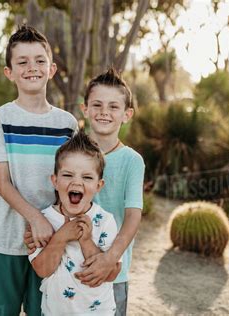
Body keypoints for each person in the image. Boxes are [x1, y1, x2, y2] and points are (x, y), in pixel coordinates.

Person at [0, 25, 78, 315]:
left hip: (50, 243)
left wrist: (53, 225)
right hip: (3, 239)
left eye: (40, 60)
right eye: (22, 62)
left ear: (52, 69)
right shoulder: (2, 117)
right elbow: (2, 182)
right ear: (10, 72)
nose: (32, 68)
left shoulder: (68, 124)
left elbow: (71, 183)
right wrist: (35, 218)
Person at [26, 68, 145, 315]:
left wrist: (110, 258)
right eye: (97, 105)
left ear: (127, 114)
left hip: (111, 266)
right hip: (63, 265)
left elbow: (133, 216)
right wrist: (38, 227)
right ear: (85, 109)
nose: (104, 112)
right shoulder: (70, 152)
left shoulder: (132, 160)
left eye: (114, 106)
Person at [29, 130, 121, 315]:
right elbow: (43, 270)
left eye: (87, 177)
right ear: (54, 181)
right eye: (68, 175)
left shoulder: (105, 220)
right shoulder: (42, 221)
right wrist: (61, 236)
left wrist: (86, 240)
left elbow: (110, 274)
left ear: (98, 185)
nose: (76, 183)